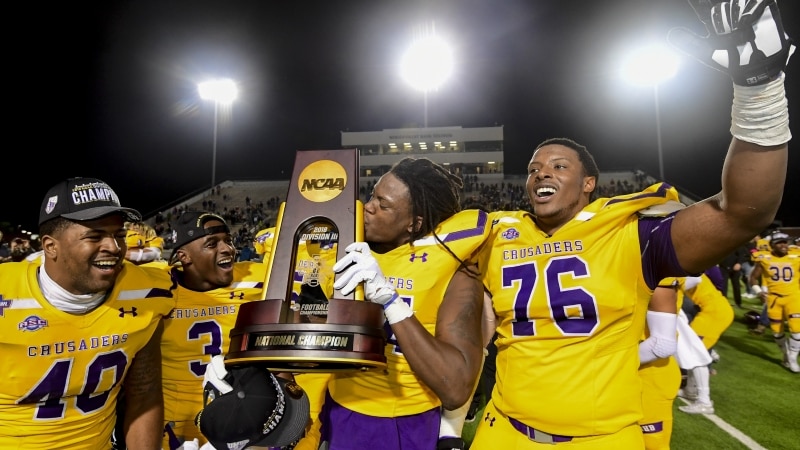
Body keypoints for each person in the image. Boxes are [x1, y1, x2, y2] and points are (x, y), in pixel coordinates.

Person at [469, 1, 793, 446]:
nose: (541, 173)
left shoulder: (629, 234)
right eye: (533, 169)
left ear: (588, 183)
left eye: (559, 166)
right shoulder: (498, 234)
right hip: (503, 430)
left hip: (603, 437)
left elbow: (742, 212)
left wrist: (759, 91)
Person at [324, 157, 491, 450]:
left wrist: (391, 300)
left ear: (414, 224)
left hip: (402, 419)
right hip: (339, 404)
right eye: (372, 196)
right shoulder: (349, 250)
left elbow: (456, 387)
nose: (367, 208)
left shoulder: (454, 268)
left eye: (383, 205)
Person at [0, 177, 176, 449]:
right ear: (50, 246)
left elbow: (144, 392)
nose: (114, 247)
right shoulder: (7, 292)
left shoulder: (145, 291)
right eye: (94, 236)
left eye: (119, 235)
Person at [677, 274, 734, 414]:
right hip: (711, 309)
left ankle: (704, 402)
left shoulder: (683, 265)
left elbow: (695, 278)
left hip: (713, 311)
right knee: (690, 349)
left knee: (694, 352)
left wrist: (672, 285)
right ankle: (690, 391)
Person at [749, 230, 800, 373]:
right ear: (772, 245)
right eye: (779, 243)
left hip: (793, 297)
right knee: (777, 332)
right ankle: (786, 354)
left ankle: (793, 358)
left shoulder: (796, 256)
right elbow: (753, 278)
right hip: (774, 299)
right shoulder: (764, 258)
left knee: (797, 330)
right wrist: (758, 292)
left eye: (785, 242)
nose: (783, 245)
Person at [638, 283, 680, 450]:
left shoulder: (657, 273)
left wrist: (613, 362)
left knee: (652, 444)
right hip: (620, 375)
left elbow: (662, 345)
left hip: (651, 373)